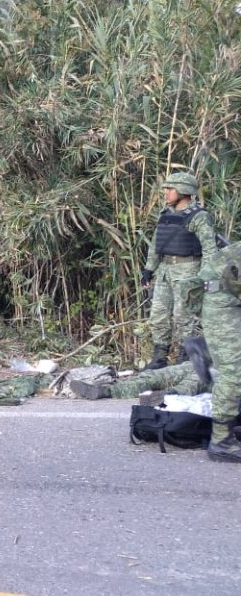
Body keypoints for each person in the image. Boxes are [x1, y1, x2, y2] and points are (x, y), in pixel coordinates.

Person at [140, 172, 217, 370]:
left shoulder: (199, 217)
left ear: (184, 191)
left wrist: (203, 278)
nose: (166, 192)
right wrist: (149, 270)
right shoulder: (165, 214)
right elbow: (156, 245)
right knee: (158, 315)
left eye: (170, 189)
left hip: (188, 271)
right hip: (164, 271)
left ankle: (186, 358)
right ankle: (159, 357)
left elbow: (210, 250)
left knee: (184, 317)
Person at [194, 242, 241, 462]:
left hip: (231, 290)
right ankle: (221, 441)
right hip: (222, 297)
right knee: (235, 372)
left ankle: (208, 353)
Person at [68, 362, 206, 400]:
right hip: (205, 361)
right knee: (154, 376)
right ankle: (104, 390)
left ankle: (166, 397)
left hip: (224, 371)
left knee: (196, 381)